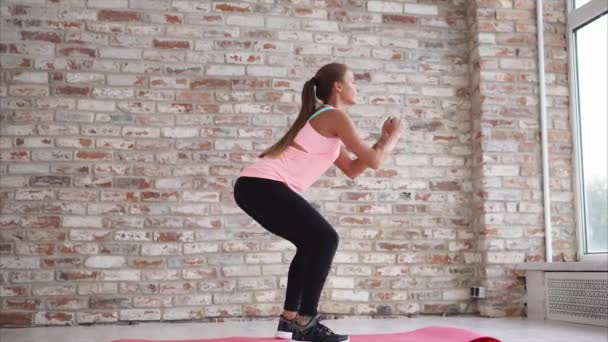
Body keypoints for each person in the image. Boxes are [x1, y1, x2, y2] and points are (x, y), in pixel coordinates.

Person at [233, 63, 403, 342]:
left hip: (253, 186)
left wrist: (382, 140)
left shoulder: (326, 123)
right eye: (352, 81)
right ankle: (306, 323)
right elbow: (374, 162)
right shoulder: (333, 116)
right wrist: (395, 136)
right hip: (262, 185)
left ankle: (289, 321)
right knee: (325, 239)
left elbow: (353, 169)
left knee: (311, 243)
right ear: (338, 86)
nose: (356, 87)